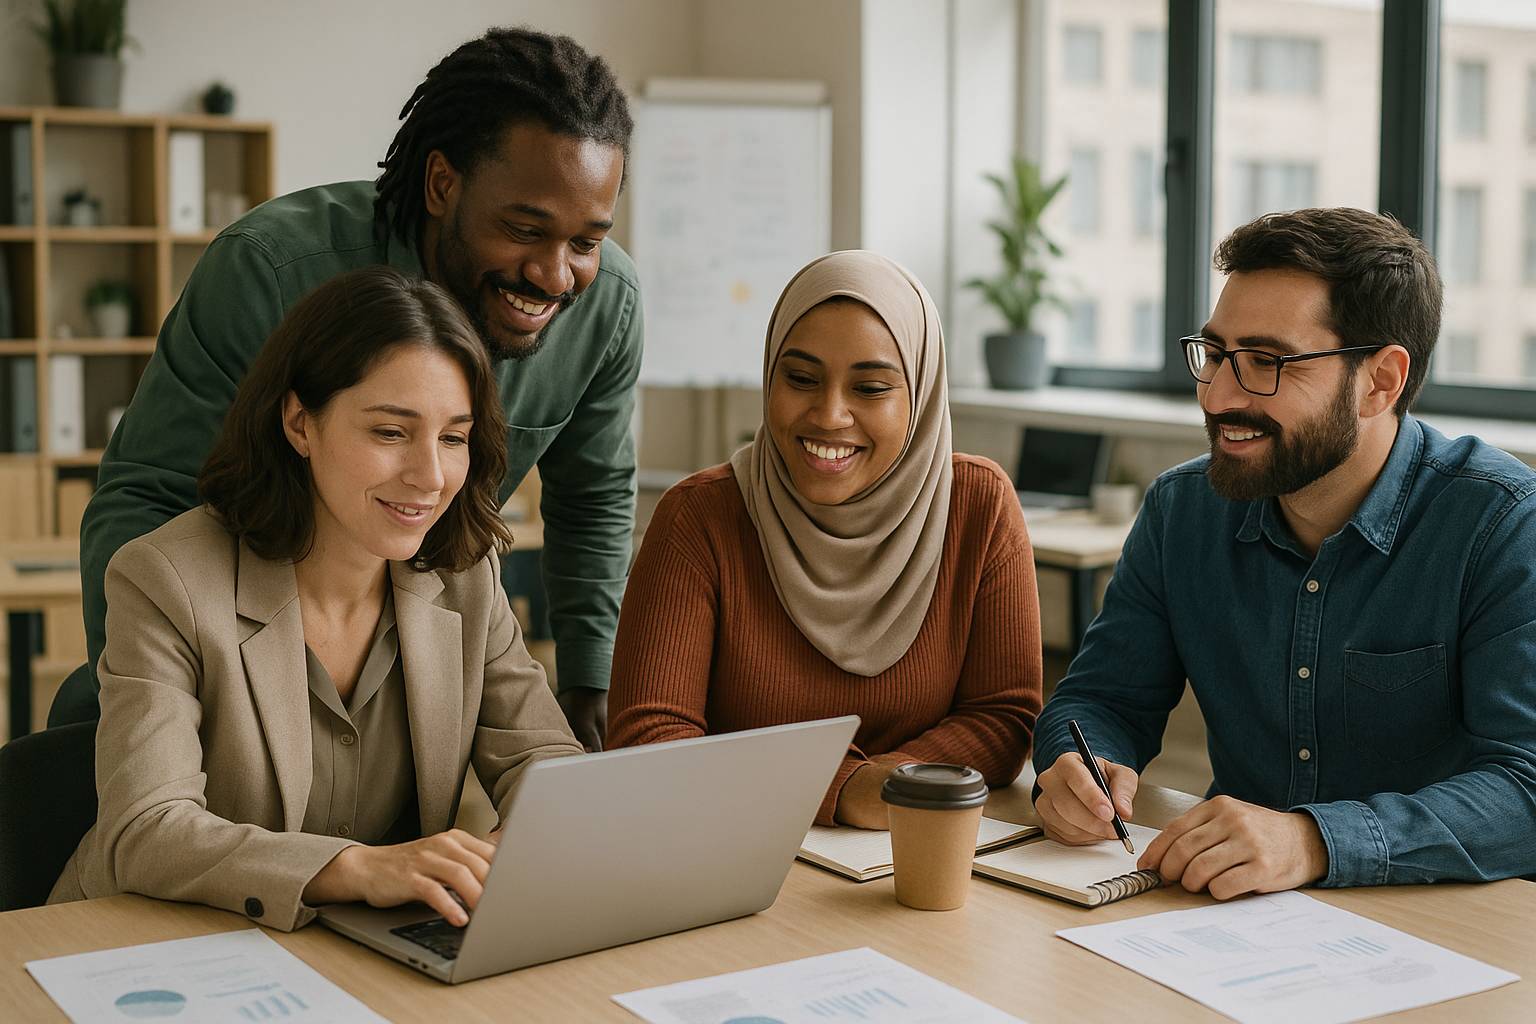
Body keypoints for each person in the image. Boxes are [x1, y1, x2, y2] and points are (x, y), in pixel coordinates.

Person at [62, 27, 641, 748]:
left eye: (586, 243)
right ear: (441, 184)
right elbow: (146, 498)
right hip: (215, 675)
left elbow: (593, 499)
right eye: (524, 229)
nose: (556, 275)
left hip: (390, 701)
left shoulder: (606, 305)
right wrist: (161, 695)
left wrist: (593, 682)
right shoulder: (269, 272)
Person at [49, 267, 585, 931]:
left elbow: (548, 761)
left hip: (342, 949)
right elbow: (149, 829)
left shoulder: (466, 573)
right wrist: (357, 868)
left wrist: (509, 857)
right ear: (300, 423)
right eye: (391, 432)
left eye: (453, 437)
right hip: (140, 945)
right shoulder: (165, 578)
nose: (430, 475)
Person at [1033, 207, 1536, 897]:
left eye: (1266, 362)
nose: (1218, 394)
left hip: (1442, 924)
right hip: (1229, 913)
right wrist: (1073, 760)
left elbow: (1526, 786)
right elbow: (1102, 699)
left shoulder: (1502, 523)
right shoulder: (1182, 511)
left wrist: (1312, 840)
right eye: (1214, 354)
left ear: (1381, 382)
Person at [607, 251, 1042, 827]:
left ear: (921, 396)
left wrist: (890, 786)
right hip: (729, 854)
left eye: (870, 388)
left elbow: (1003, 718)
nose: (830, 415)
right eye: (801, 379)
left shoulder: (979, 507)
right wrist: (841, 790)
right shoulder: (700, 518)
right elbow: (646, 740)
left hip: (922, 848)